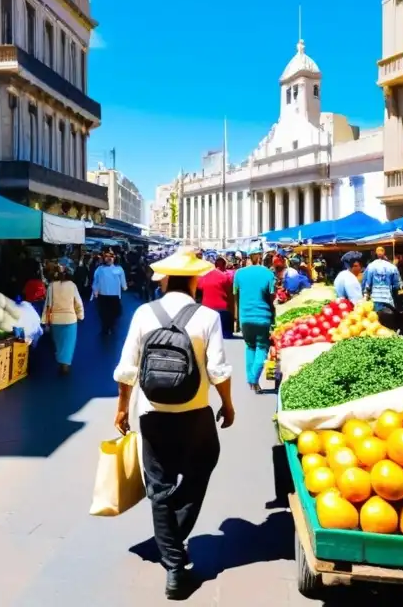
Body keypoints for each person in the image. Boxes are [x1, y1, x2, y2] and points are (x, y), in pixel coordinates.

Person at [113, 247, 234, 599]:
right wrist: (227, 404)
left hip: (151, 415)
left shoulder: (143, 314)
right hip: (195, 415)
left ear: (164, 279)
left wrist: (122, 409)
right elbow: (218, 370)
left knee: (160, 487)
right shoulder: (207, 316)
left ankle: (172, 560)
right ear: (196, 280)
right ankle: (173, 556)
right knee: (200, 470)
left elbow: (127, 369)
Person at [233, 249, 276, 393]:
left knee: (250, 346)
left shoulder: (239, 273)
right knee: (262, 347)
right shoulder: (268, 274)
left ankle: (252, 381)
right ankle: (253, 379)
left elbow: (236, 296)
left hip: (245, 317)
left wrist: (237, 319)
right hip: (262, 316)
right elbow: (272, 298)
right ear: (261, 257)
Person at [41, 265, 84, 375]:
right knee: (69, 343)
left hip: (56, 319)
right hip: (70, 319)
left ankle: (61, 362)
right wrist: (80, 316)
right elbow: (78, 302)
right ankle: (66, 364)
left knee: (59, 343)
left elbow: (48, 305)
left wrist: (45, 320)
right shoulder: (72, 285)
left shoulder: (51, 286)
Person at [198, 256, 235, 338]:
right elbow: (230, 294)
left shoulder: (203, 277)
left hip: (207, 308)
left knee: (209, 335)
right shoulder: (225, 277)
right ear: (224, 265)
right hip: (223, 309)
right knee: (225, 335)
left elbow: (199, 290)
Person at [92, 250, 127, 336]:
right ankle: (105, 328)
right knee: (103, 313)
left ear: (114, 258)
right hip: (102, 295)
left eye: (111, 256)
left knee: (114, 313)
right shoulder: (99, 269)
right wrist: (95, 290)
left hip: (114, 296)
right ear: (104, 258)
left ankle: (111, 326)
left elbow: (123, 280)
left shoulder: (119, 269)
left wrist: (124, 286)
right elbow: (95, 281)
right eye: (107, 256)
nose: (109, 258)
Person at [362, 246, 403, 313]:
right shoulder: (392, 267)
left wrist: (365, 297)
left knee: (375, 321)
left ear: (376, 253)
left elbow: (365, 284)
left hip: (374, 300)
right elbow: (398, 285)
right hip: (388, 299)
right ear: (384, 253)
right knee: (387, 320)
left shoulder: (370, 266)